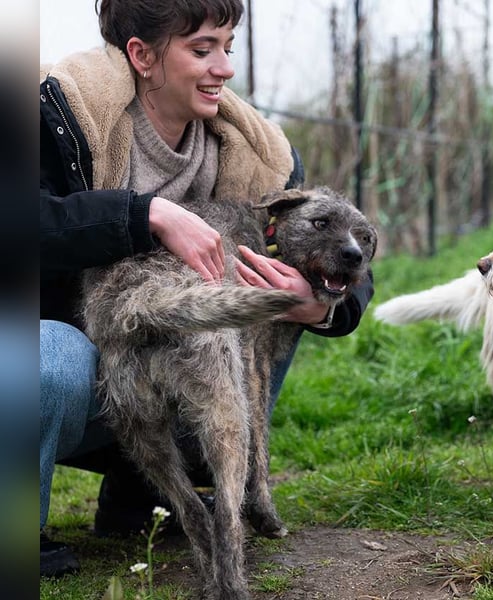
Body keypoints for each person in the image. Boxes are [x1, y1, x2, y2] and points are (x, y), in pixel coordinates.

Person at [40, 0, 373, 578]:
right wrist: (144, 214)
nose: (225, 68)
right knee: (51, 355)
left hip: (174, 362)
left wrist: (319, 304)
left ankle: (144, 497)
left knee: (268, 293)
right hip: (65, 369)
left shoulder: (256, 152)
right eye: (202, 49)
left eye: (228, 47)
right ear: (142, 56)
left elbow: (345, 248)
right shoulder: (59, 114)